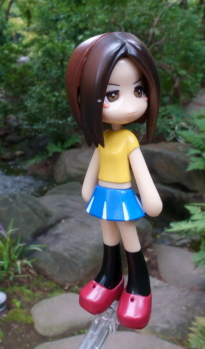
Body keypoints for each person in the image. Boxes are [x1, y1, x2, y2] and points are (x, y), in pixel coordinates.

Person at [65, 32, 162, 329]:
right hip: (104, 194)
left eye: (139, 90)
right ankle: (110, 277)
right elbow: (95, 166)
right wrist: (87, 187)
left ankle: (139, 286)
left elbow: (140, 171)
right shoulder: (104, 138)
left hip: (121, 194)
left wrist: (150, 197)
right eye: (112, 94)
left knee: (129, 238)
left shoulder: (129, 140)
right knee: (108, 236)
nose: (130, 105)